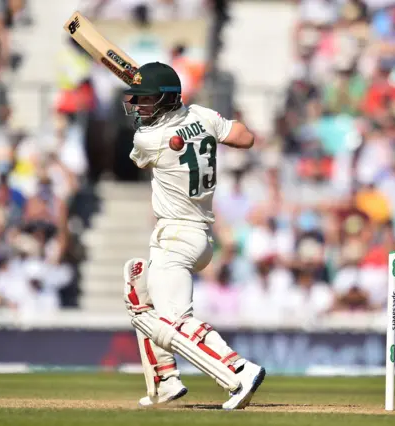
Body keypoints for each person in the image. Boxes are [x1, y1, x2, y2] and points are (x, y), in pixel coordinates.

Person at [119, 62, 262, 410]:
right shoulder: (203, 115)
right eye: (137, 99)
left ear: (168, 100)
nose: (139, 107)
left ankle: (238, 371)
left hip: (176, 236)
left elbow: (140, 160)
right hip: (198, 235)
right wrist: (205, 128)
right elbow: (245, 137)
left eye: (147, 99)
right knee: (138, 290)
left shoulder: (147, 139)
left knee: (174, 321)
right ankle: (164, 380)